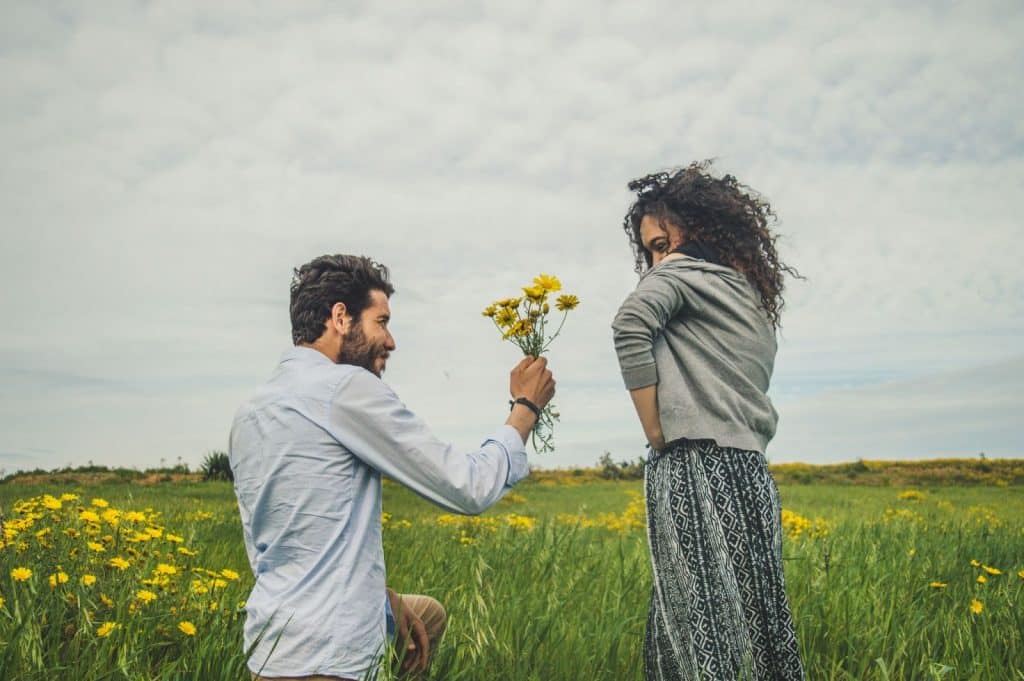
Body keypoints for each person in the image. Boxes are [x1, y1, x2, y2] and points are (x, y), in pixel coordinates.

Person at [229, 254, 555, 680]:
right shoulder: (344, 387)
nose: (391, 340)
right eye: (381, 321)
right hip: (329, 656)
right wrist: (525, 410)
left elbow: (276, 543)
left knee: (427, 617)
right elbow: (468, 486)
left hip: (269, 647)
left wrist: (379, 596)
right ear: (341, 318)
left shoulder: (252, 410)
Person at [611, 162, 805, 680]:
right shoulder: (748, 297)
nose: (655, 260)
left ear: (692, 231)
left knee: (701, 637)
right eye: (650, 249)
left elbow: (629, 324)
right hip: (749, 472)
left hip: (696, 464)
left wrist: (655, 433)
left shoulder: (678, 273)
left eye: (661, 242)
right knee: (760, 629)